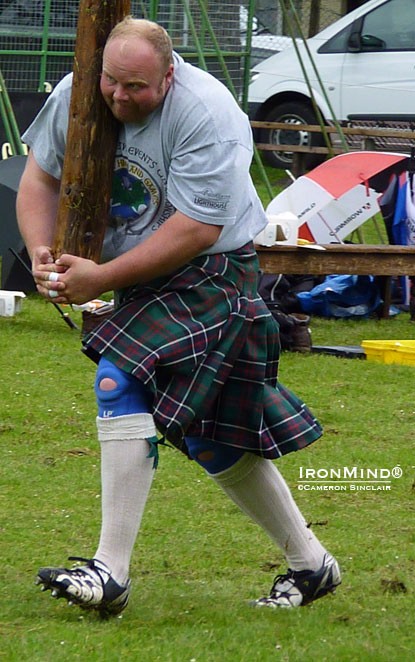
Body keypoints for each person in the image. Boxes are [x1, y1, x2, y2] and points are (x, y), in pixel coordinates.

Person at [16, 16, 340, 617]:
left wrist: (101, 277)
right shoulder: (79, 92)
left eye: (135, 87)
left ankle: (109, 572)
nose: (118, 97)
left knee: (118, 377)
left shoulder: (209, 113)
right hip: (142, 275)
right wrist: (42, 248)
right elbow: (40, 178)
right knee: (211, 439)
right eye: (112, 82)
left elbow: (197, 229)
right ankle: (312, 565)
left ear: (169, 74)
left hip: (210, 269)